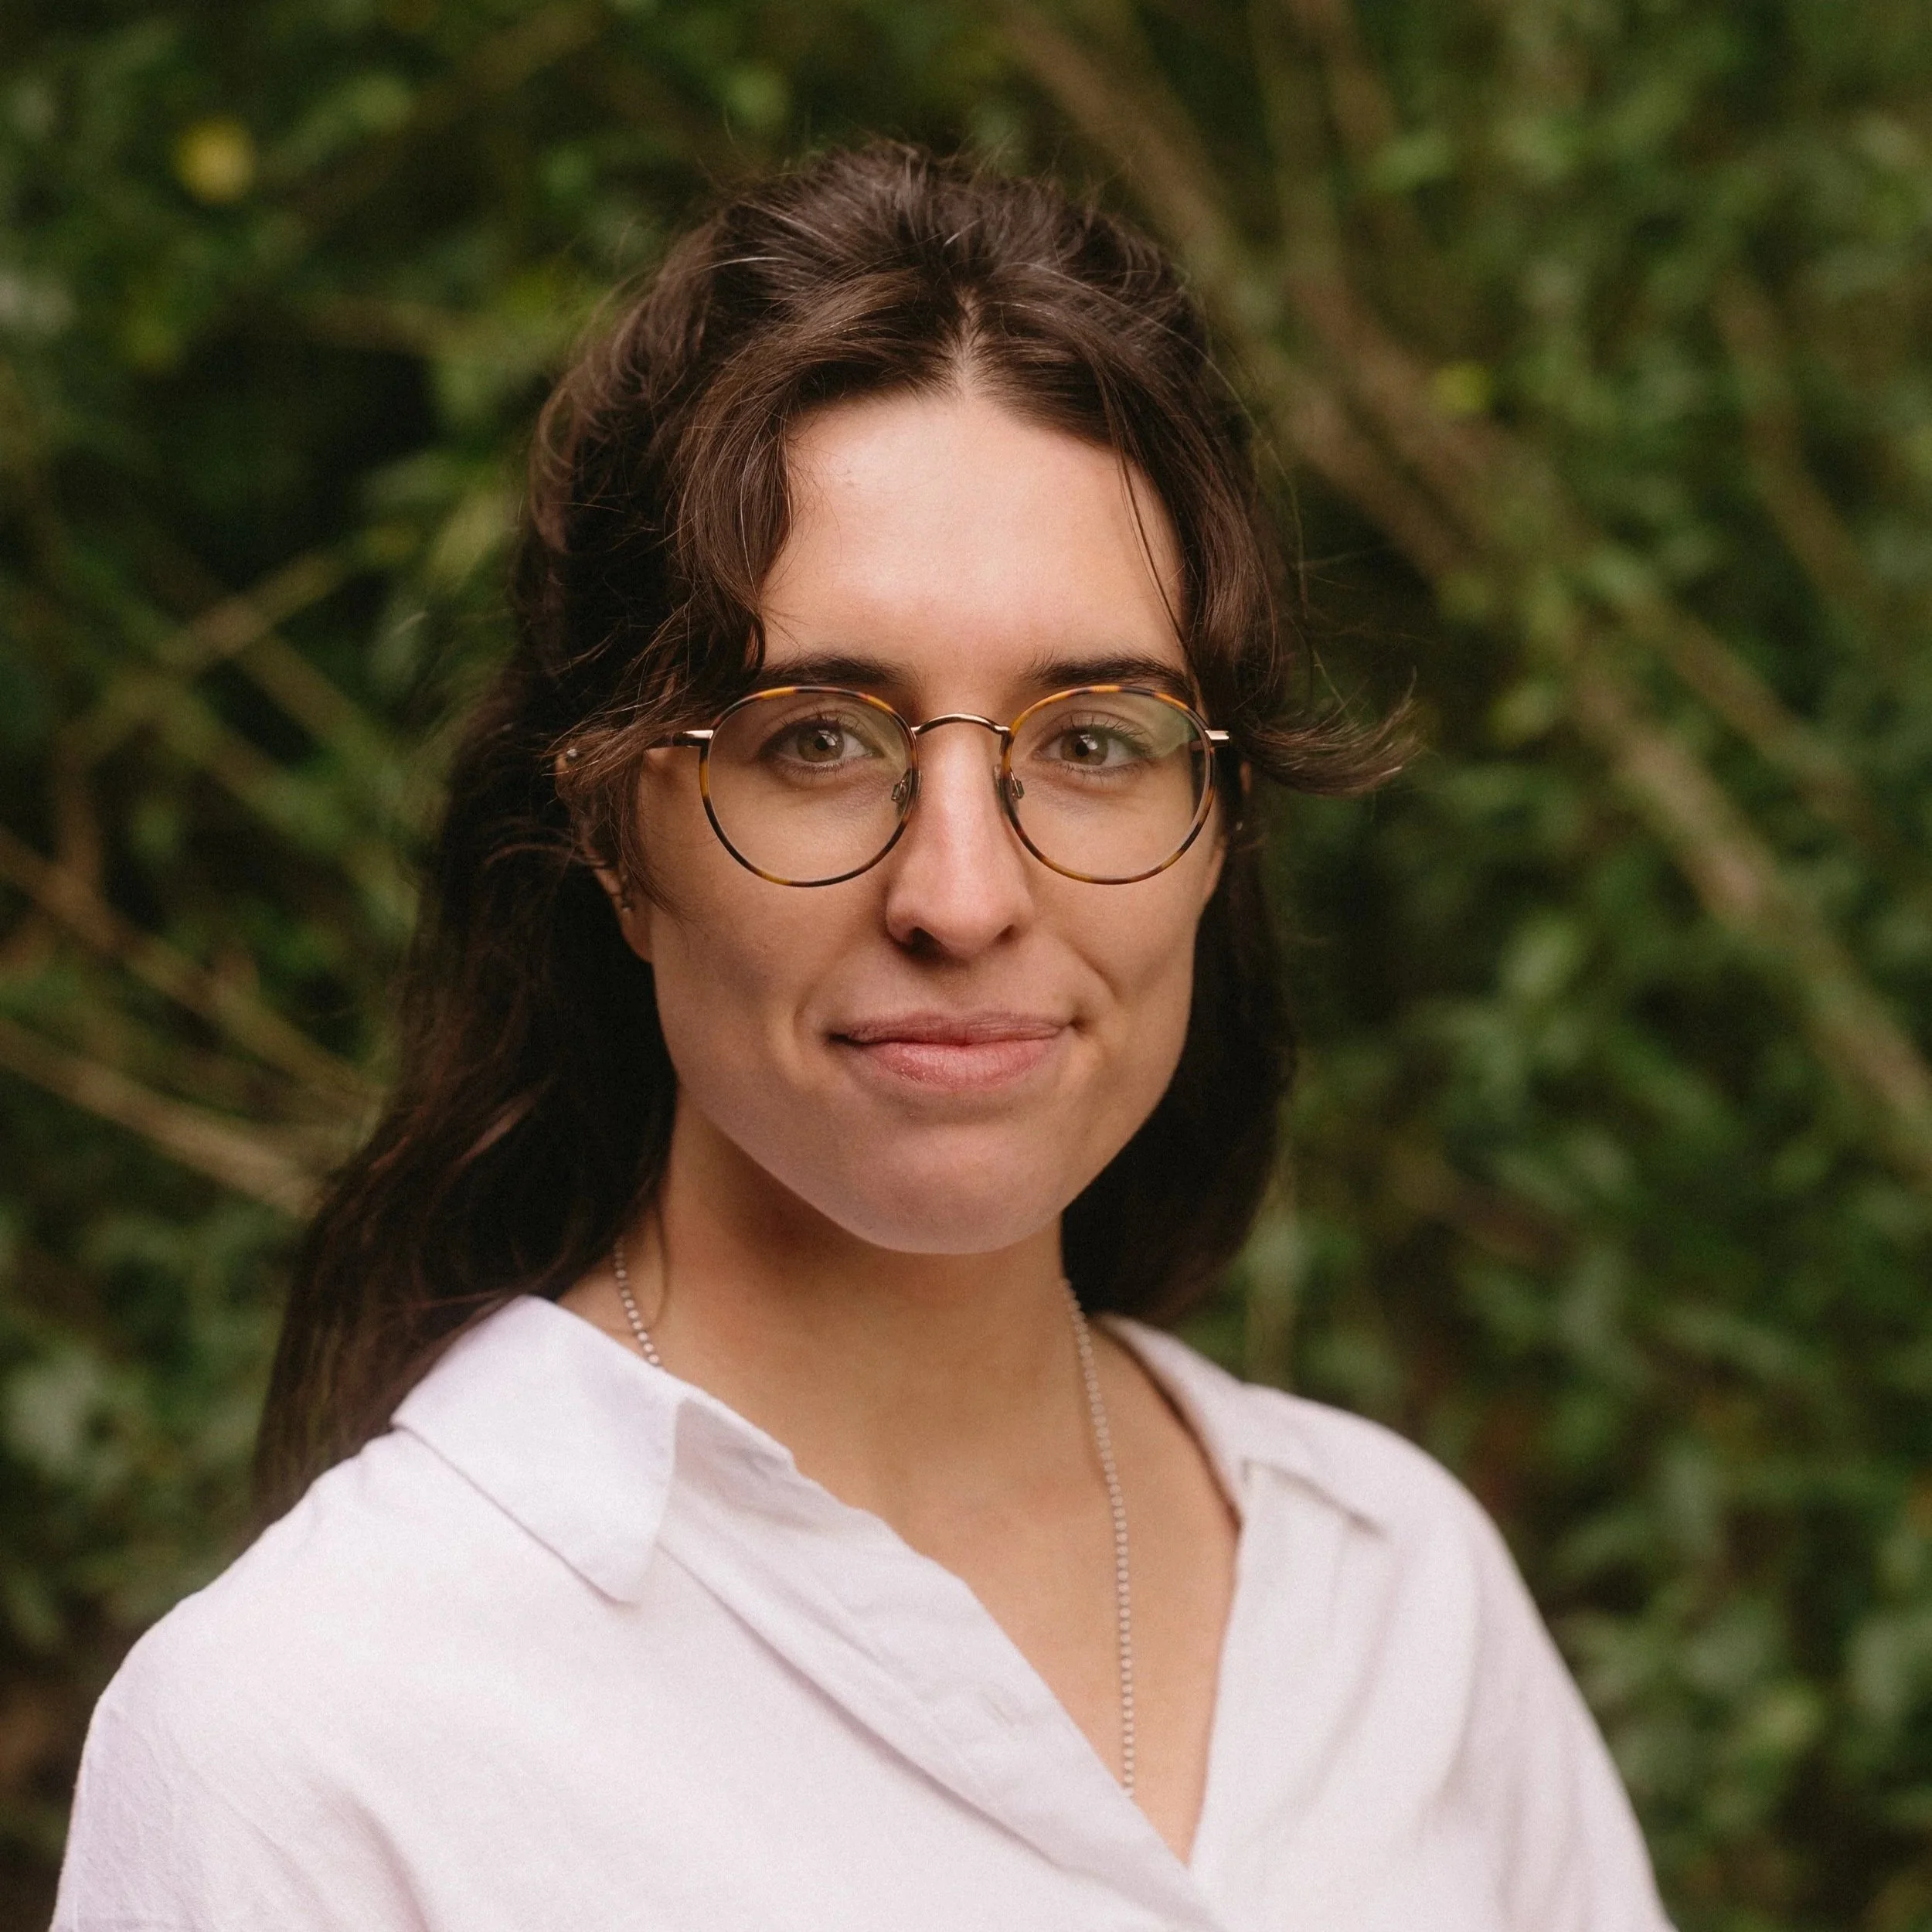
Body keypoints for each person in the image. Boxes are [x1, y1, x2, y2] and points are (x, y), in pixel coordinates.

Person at [52, 144, 1672, 1931]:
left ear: (1218, 824)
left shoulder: (1397, 1593)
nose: (960, 894)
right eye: (815, 738)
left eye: (1093, 738)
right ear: (611, 833)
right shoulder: (313, 1736)